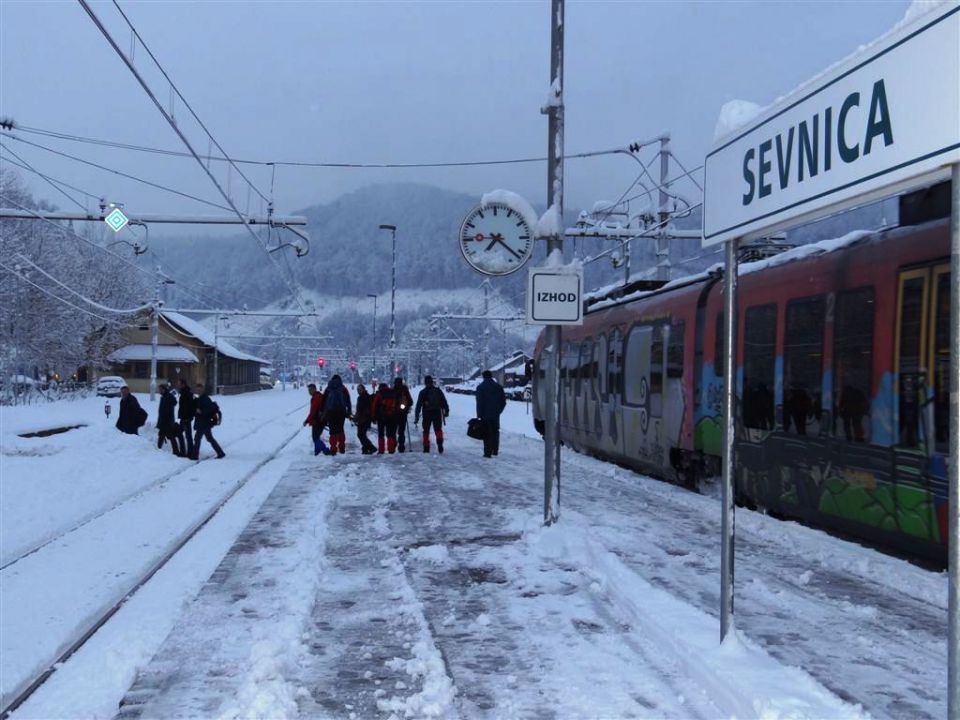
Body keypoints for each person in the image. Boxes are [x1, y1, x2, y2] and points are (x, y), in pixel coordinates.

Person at [414, 375, 449, 454]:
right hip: (437, 413)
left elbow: (418, 405)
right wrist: (446, 411)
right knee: (438, 430)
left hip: (427, 414)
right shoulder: (438, 391)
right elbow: (444, 402)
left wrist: (416, 417)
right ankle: (440, 444)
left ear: (425, 383)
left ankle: (426, 448)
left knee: (426, 431)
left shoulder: (423, 392)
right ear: (432, 382)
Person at [476, 370, 506, 458]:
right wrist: (498, 411)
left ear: (483, 376)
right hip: (495, 414)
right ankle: (495, 450)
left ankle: (487, 452)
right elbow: (503, 401)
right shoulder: (498, 387)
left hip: (485, 414)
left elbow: (480, 402)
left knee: (486, 432)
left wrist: (479, 415)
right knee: (495, 431)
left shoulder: (480, 387)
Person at [191, 383, 225, 460]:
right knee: (209, 438)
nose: (198, 390)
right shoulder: (200, 398)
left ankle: (195, 456)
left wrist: (201, 411)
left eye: (199, 389)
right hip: (203, 423)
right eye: (197, 389)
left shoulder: (206, 399)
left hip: (203, 423)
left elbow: (208, 410)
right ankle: (220, 453)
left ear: (203, 389)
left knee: (197, 438)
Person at [322, 374, 352, 456]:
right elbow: (348, 400)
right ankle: (342, 447)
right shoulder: (343, 388)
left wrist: (323, 412)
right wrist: (348, 411)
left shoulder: (328, 388)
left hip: (330, 412)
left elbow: (323, 401)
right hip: (341, 412)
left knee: (332, 431)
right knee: (340, 429)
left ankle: (333, 449)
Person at [371, 382, 399, 454]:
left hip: (381, 417)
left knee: (381, 434)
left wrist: (373, 417)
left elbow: (374, 405)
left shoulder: (379, 393)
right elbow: (397, 404)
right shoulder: (393, 392)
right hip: (392, 416)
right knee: (390, 433)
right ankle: (391, 449)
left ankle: (381, 450)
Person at [157, 383, 183, 455]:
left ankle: (175, 451)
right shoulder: (164, 397)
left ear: (164, 389)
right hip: (165, 421)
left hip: (167, 421)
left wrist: (163, 421)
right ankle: (159, 449)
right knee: (163, 436)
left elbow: (166, 411)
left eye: (161, 389)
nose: (159, 391)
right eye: (159, 389)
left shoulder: (167, 397)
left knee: (169, 436)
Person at [303, 383, 329, 456]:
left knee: (315, 438)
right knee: (316, 437)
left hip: (317, 421)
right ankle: (317, 453)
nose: (309, 392)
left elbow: (313, 411)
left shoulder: (316, 397)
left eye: (310, 390)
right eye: (308, 390)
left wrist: (307, 420)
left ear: (314, 389)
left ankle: (325, 450)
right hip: (321, 420)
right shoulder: (318, 396)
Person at [354, 383, 377, 454]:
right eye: (358, 390)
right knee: (362, 434)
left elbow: (363, 410)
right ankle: (365, 449)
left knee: (360, 434)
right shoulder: (363, 397)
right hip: (363, 418)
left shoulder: (364, 397)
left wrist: (358, 417)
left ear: (363, 389)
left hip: (364, 419)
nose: (358, 391)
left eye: (360, 389)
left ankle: (371, 448)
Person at [393, 377, 414, 453]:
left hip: (394, 414)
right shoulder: (405, 390)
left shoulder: (392, 390)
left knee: (393, 430)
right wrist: (406, 407)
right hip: (403, 414)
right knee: (401, 431)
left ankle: (393, 444)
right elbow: (411, 401)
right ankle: (401, 447)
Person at [176, 379, 195, 459]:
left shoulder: (187, 394)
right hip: (183, 417)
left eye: (179, 384)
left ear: (183, 384)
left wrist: (190, 417)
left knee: (188, 435)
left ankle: (190, 453)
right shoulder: (183, 393)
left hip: (186, 418)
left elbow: (191, 407)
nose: (178, 385)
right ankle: (183, 451)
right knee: (180, 434)